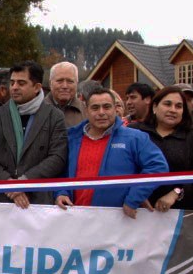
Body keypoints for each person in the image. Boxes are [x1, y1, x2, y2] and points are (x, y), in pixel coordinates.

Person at [54, 89, 168, 218]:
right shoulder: (71, 138)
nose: (101, 112)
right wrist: (61, 192)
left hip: (118, 220)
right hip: (74, 218)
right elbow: (59, 170)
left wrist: (134, 197)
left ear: (115, 109)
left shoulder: (135, 138)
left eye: (107, 107)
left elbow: (158, 167)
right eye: (95, 108)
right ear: (86, 111)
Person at [0, 61, 67, 208]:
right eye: (12, 83)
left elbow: (57, 157)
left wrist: (24, 182)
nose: (14, 87)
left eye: (21, 83)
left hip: (39, 201)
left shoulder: (54, 117)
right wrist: (9, 184)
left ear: (37, 87)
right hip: (3, 200)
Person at [134, 86, 193, 215]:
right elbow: (122, 168)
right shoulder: (135, 132)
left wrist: (176, 193)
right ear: (154, 107)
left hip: (177, 214)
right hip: (135, 211)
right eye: (167, 104)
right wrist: (136, 195)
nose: (172, 110)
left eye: (178, 106)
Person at [45, 61, 84, 128]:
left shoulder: (86, 112)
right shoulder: (37, 110)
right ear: (50, 83)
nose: (65, 86)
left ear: (76, 84)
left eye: (70, 81)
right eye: (59, 81)